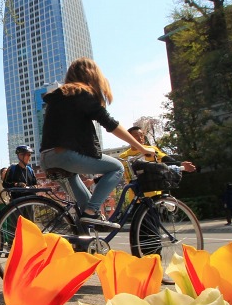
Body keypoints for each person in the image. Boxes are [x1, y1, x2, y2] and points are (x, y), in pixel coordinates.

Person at [39, 58, 155, 229]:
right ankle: (92, 212)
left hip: (46, 158)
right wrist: (140, 147)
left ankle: (84, 240)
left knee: (85, 210)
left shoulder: (59, 96)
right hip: (65, 156)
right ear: (91, 75)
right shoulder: (81, 93)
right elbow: (111, 124)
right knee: (116, 168)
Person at [119, 126, 196, 200]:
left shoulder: (150, 149)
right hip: (135, 195)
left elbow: (165, 159)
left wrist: (181, 164)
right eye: (136, 136)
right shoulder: (123, 156)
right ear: (129, 138)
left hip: (155, 194)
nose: (140, 138)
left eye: (142, 135)